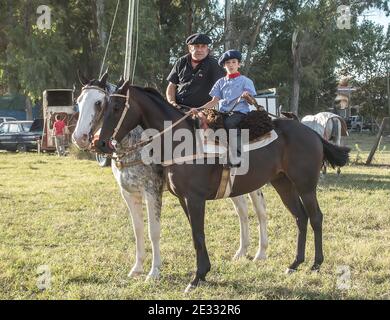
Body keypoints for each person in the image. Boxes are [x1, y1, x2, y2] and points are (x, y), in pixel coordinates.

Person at [192, 49, 257, 165]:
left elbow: (252, 102)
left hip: (239, 113)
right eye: (228, 63)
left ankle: (238, 156)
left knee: (230, 124)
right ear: (224, 66)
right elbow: (213, 101)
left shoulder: (246, 81)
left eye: (233, 62)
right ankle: (210, 154)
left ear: (239, 64)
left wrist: (247, 96)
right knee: (203, 122)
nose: (231, 65)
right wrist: (198, 109)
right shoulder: (220, 82)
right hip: (223, 113)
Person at [166, 33, 225, 110]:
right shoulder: (181, 62)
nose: (200, 50)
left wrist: (202, 109)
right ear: (190, 48)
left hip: (203, 111)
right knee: (166, 121)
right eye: (197, 46)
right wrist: (172, 103)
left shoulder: (214, 64)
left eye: (203, 46)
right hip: (178, 108)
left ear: (207, 48)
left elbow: (220, 91)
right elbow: (171, 86)